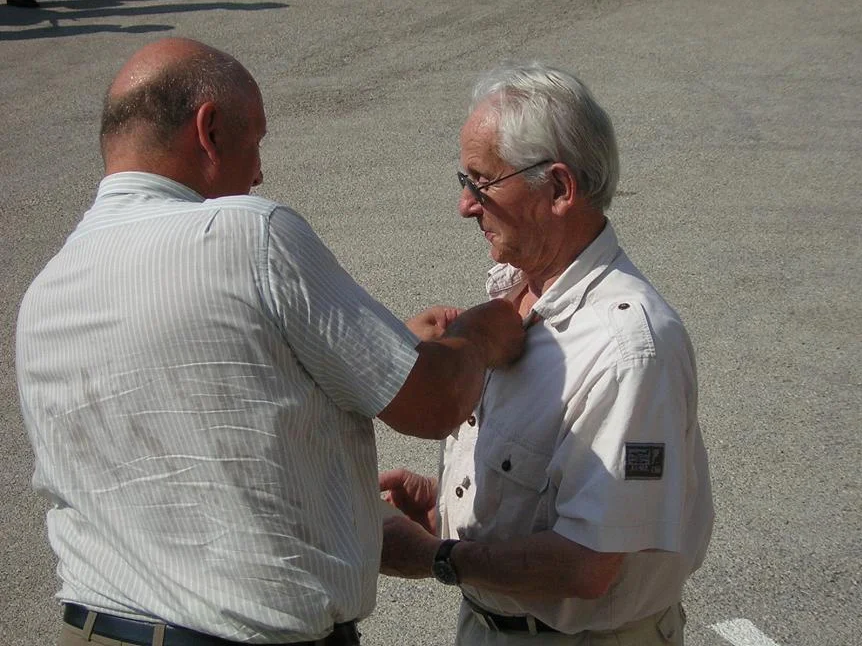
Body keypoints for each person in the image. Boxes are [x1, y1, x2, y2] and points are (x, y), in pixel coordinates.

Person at [15, 38, 527, 646]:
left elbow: (194, 413)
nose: (258, 172)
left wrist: (379, 348)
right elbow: (434, 402)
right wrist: (482, 330)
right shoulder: (249, 233)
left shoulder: (47, 290)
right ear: (208, 131)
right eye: (255, 141)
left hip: (93, 626)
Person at [379, 63, 714, 645]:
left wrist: (437, 556)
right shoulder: (518, 292)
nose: (464, 204)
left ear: (559, 189)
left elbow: (587, 565)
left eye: (481, 182)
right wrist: (447, 511)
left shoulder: (628, 350)